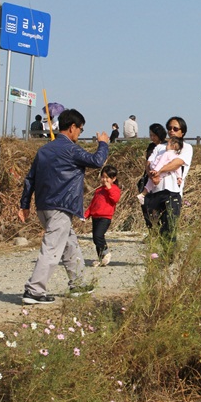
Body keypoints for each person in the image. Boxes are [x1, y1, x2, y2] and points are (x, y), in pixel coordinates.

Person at [18, 109, 109, 304]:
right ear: (72, 127)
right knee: (52, 249)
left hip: (44, 206)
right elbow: (97, 161)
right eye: (80, 130)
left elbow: (30, 179)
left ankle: (78, 284)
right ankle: (34, 291)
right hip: (61, 206)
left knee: (70, 244)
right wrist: (103, 143)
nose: (79, 134)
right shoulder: (71, 149)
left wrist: (24, 204)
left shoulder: (44, 150)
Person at [144, 117, 193, 249]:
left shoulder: (186, 148)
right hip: (156, 191)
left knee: (170, 224)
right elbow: (148, 163)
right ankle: (166, 254)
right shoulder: (159, 147)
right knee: (160, 225)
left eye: (175, 129)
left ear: (182, 132)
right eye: (170, 128)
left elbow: (176, 163)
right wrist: (151, 174)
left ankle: (170, 257)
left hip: (173, 191)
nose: (172, 131)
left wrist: (158, 172)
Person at [84, 165, 121, 267]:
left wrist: (109, 188)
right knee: (95, 239)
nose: (104, 180)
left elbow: (115, 199)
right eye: (103, 177)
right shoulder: (99, 190)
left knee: (98, 236)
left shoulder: (114, 189)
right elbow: (93, 204)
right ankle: (101, 259)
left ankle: (106, 252)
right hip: (95, 217)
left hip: (105, 217)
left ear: (113, 179)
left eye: (107, 177)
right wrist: (86, 214)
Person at [140, 136, 184, 201]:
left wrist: (156, 170)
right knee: (153, 181)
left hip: (157, 169)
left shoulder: (167, 153)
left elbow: (161, 162)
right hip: (160, 171)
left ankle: (143, 194)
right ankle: (143, 194)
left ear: (173, 146)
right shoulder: (176, 156)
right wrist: (179, 177)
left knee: (151, 181)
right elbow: (178, 168)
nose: (166, 146)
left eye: (168, 144)